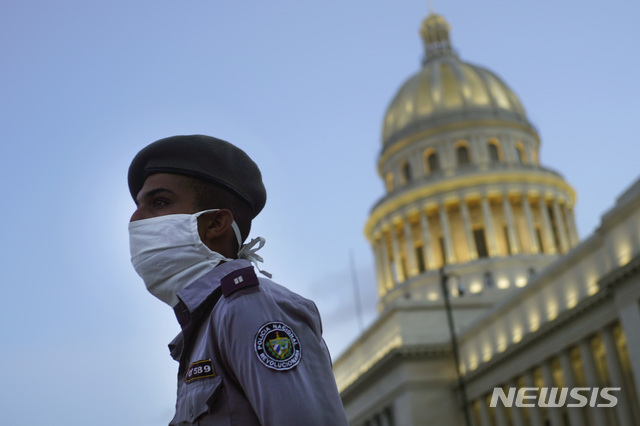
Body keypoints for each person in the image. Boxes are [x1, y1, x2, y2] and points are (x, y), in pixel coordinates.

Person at [127, 134, 349, 425]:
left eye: (159, 202)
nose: (135, 219)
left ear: (216, 223)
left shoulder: (247, 308)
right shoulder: (206, 324)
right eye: (138, 205)